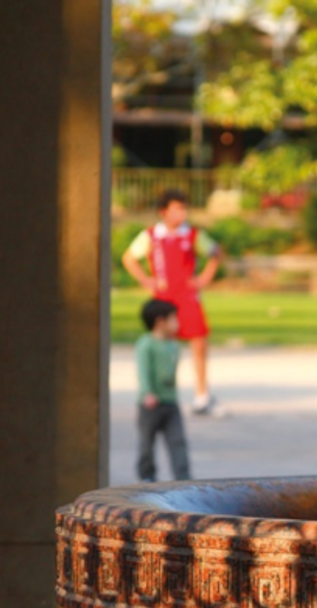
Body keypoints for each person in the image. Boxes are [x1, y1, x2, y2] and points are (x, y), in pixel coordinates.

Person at [123, 189, 223, 415]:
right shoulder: (151, 235)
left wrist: (204, 278)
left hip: (187, 297)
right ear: (164, 211)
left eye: (184, 209)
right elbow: (129, 258)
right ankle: (155, 392)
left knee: (199, 343)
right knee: (158, 346)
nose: (182, 213)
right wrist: (146, 280)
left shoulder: (192, 235)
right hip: (164, 297)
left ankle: (202, 395)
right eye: (177, 209)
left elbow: (216, 253)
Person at [135, 298, 191, 482]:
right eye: (173, 318)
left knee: (178, 442)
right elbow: (143, 371)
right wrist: (147, 392)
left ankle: (183, 478)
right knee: (146, 444)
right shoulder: (146, 344)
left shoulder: (174, 345)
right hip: (150, 404)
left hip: (170, 402)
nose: (177, 323)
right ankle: (147, 477)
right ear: (160, 321)